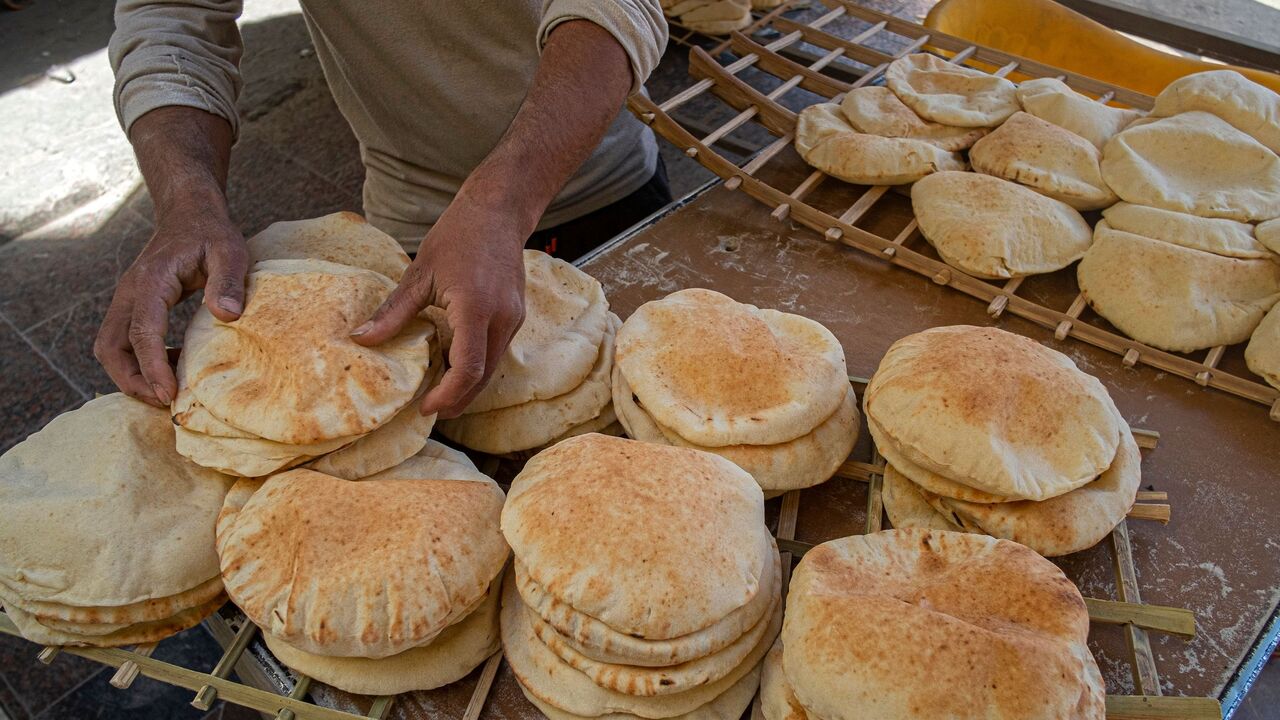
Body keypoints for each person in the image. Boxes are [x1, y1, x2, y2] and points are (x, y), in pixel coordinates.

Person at [96, 1, 670, 420]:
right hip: (412, 225)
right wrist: (186, 200)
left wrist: (500, 201)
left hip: (604, 185)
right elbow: (171, 19)